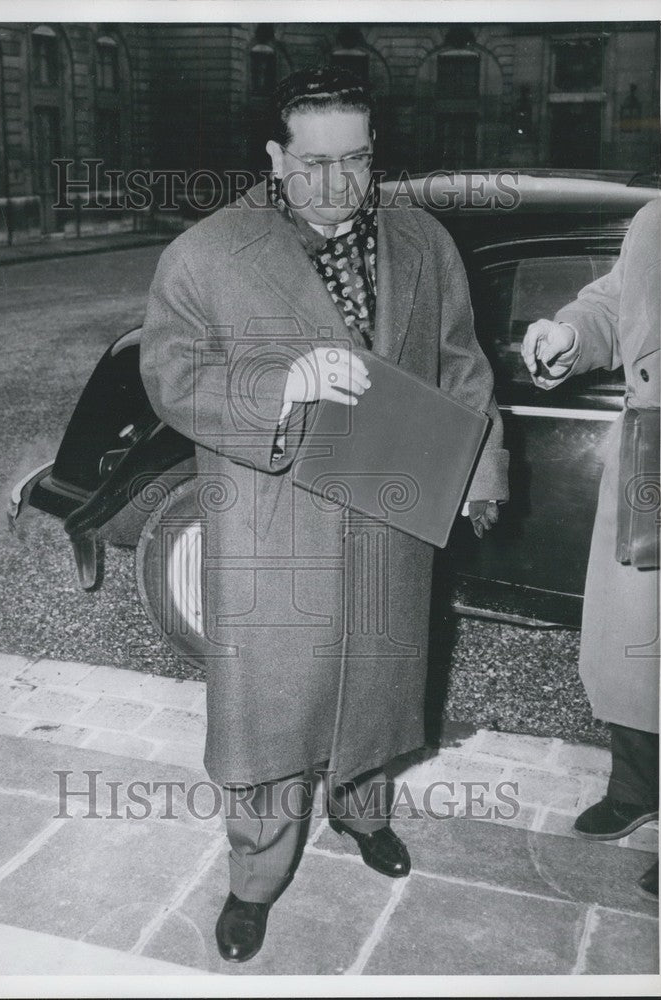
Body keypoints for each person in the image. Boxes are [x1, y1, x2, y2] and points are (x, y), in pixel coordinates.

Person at [139, 66, 508, 962]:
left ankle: (362, 812)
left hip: (391, 517)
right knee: (270, 717)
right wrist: (280, 387)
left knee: (380, 692)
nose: (340, 187)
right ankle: (255, 879)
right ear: (273, 155)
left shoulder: (424, 242)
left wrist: (482, 473)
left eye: (359, 161)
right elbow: (170, 379)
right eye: (313, 164)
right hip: (272, 529)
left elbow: (462, 364)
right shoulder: (206, 253)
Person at [521, 198, 661, 900]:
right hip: (651, 449)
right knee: (631, 635)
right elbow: (613, 303)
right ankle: (638, 786)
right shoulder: (657, 218)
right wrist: (569, 335)